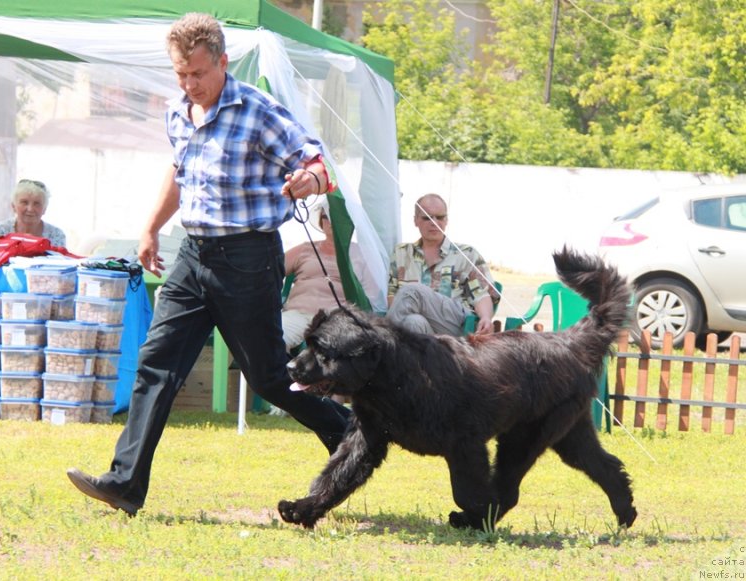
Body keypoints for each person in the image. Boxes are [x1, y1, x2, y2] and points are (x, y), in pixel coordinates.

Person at [66, 13, 351, 516]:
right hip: (192, 255)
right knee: (156, 364)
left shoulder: (258, 110)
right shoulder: (178, 112)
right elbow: (180, 173)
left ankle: (347, 434)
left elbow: (317, 162)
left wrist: (308, 180)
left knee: (266, 379)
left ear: (222, 62)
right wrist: (151, 228)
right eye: (180, 74)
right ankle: (124, 484)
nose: (189, 84)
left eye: (198, 73)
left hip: (247, 259)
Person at [386, 193, 497, 337]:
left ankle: (384, 341)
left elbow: (481, 294)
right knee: (413, 322)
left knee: (411, 290)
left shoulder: (466, 254)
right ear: (416, 221)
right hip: (424, 329)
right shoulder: (401, 253)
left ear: (447, 220)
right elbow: (392, 296)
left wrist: (486, 317)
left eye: (440, 217)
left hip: (454, 324)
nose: (434, 222)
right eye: (427, 217)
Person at [281, 199, 375, 351]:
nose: (331, 221)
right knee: (272, 337)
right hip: (297, 314)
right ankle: (278, 375)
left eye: (337, 217)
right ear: (320, 221)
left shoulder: (363, 255)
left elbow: (372, 299)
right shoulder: (305, 249)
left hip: (337, 319)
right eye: (326, 216)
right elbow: (271, 270)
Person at [0, 179, 66, 247]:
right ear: (13, 206)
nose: (30, 209)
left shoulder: (56, 235)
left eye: (37, 203)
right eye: (24, 202)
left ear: (44, 209)